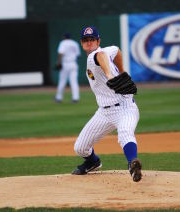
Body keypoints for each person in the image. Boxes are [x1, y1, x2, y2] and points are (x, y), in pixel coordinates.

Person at [72, 26, 142, 182]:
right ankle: (92, 162)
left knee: (125, 133)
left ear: (98, 41)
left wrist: (113, 74)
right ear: (82, 43)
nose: (89, 43)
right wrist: (122, 71)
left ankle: (132, 163)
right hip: (104, 112)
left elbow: (101, 55)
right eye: (85, 40)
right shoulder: (103, 51)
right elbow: (116, 50)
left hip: (125, 107)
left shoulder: (94, 56)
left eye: (92, 40)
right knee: (80, 147)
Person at [54, 32, 80, 103]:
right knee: (74, 82)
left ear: (64, 37)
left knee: (62, 81)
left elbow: (60, 53)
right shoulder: (75, 43)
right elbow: (78, 55)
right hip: (73, 63)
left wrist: (58, 62)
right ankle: (75, 98)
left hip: (65, 63)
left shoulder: (63, 43)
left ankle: (58, 97)